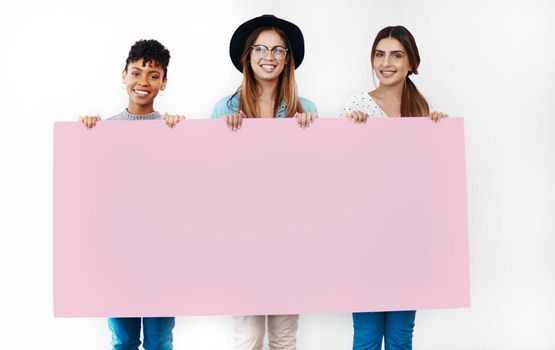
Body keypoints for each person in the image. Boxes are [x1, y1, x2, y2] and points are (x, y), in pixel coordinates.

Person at [210, 14, 318, 350]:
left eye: (277, 50)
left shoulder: (306, 109)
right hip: (242, 237)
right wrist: (225, 136)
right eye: (260, 48)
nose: (268, 56)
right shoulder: (224, 108)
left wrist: (310, 134)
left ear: (288, 58)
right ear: (248, 56)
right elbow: (209, 178)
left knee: (284, 336)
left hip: (290, 236)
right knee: (249, 336)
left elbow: (318, 180)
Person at [342, 26, 447, 350]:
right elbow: (341, 177)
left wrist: (439, 132)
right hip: (366, 240)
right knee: (367, 335)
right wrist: (349, 133)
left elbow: (428, 181)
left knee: (401, 335)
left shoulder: (420, 110)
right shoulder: (357, 106)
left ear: (412, 62)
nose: (386, 62)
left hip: (407, 239)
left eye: (396, 55)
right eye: (379, 54)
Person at [80, 39, 182, 350]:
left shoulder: (172, 130)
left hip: (160, 256)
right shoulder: (105, 129)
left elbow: (184, 191)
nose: (143, 82)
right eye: (136, 73)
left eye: (153, 75)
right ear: (123, 75)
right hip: (118, 255)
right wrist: (88, 136)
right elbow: (90, 190)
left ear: (164, 83)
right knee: (122, 341)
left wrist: (183, 137)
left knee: (159, 341)